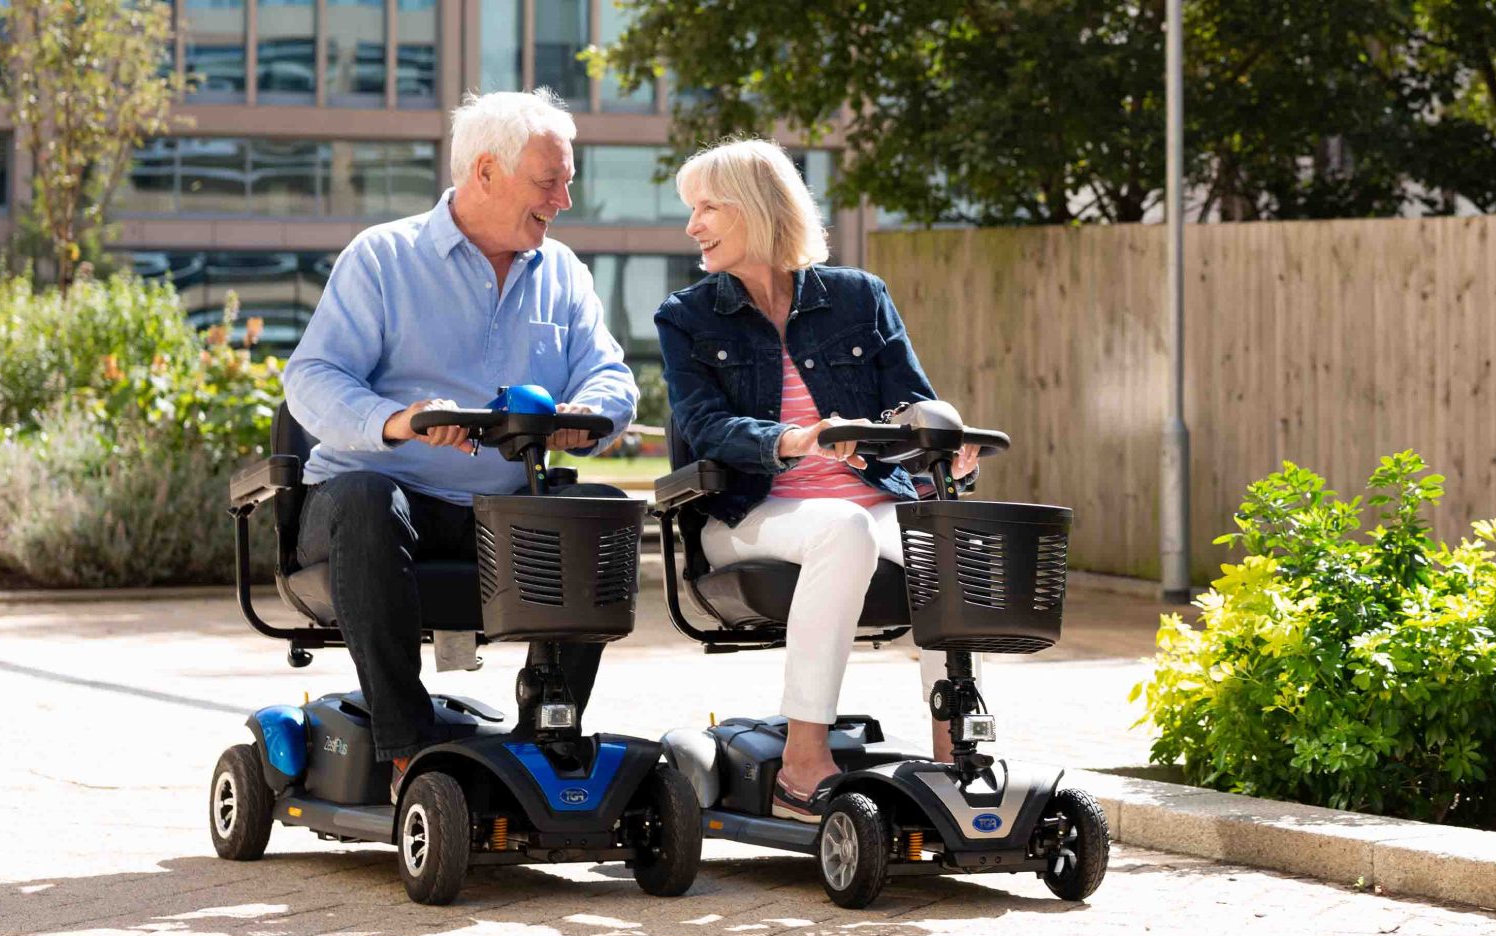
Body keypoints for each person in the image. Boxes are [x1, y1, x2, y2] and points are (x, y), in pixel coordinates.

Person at [282, 89, 637, 791]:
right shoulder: (382, 258)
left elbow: (612, 379)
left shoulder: (562, 273)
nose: (564, 198)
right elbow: (311, 377)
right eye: (549, 182)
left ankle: (547, 736)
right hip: (372, 507)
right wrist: (397, 420)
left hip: (494, 518)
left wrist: (585, 414)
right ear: (485, 173)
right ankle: (408, 748)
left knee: (596, 505)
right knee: (366, 497)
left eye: (568, 180)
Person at [653, 139, 977, 822]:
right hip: (748, 512)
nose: (693, 226)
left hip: (870, 499)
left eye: (708, 207)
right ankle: (802, 764)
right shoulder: (687, 317)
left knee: (946, 539)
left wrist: (943, 447)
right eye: (692, 209)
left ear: (759, 210)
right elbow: (706, 426)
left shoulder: (860, 299)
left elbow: (911, 404)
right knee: (842, 527)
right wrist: (793, 440)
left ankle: (958, 755)